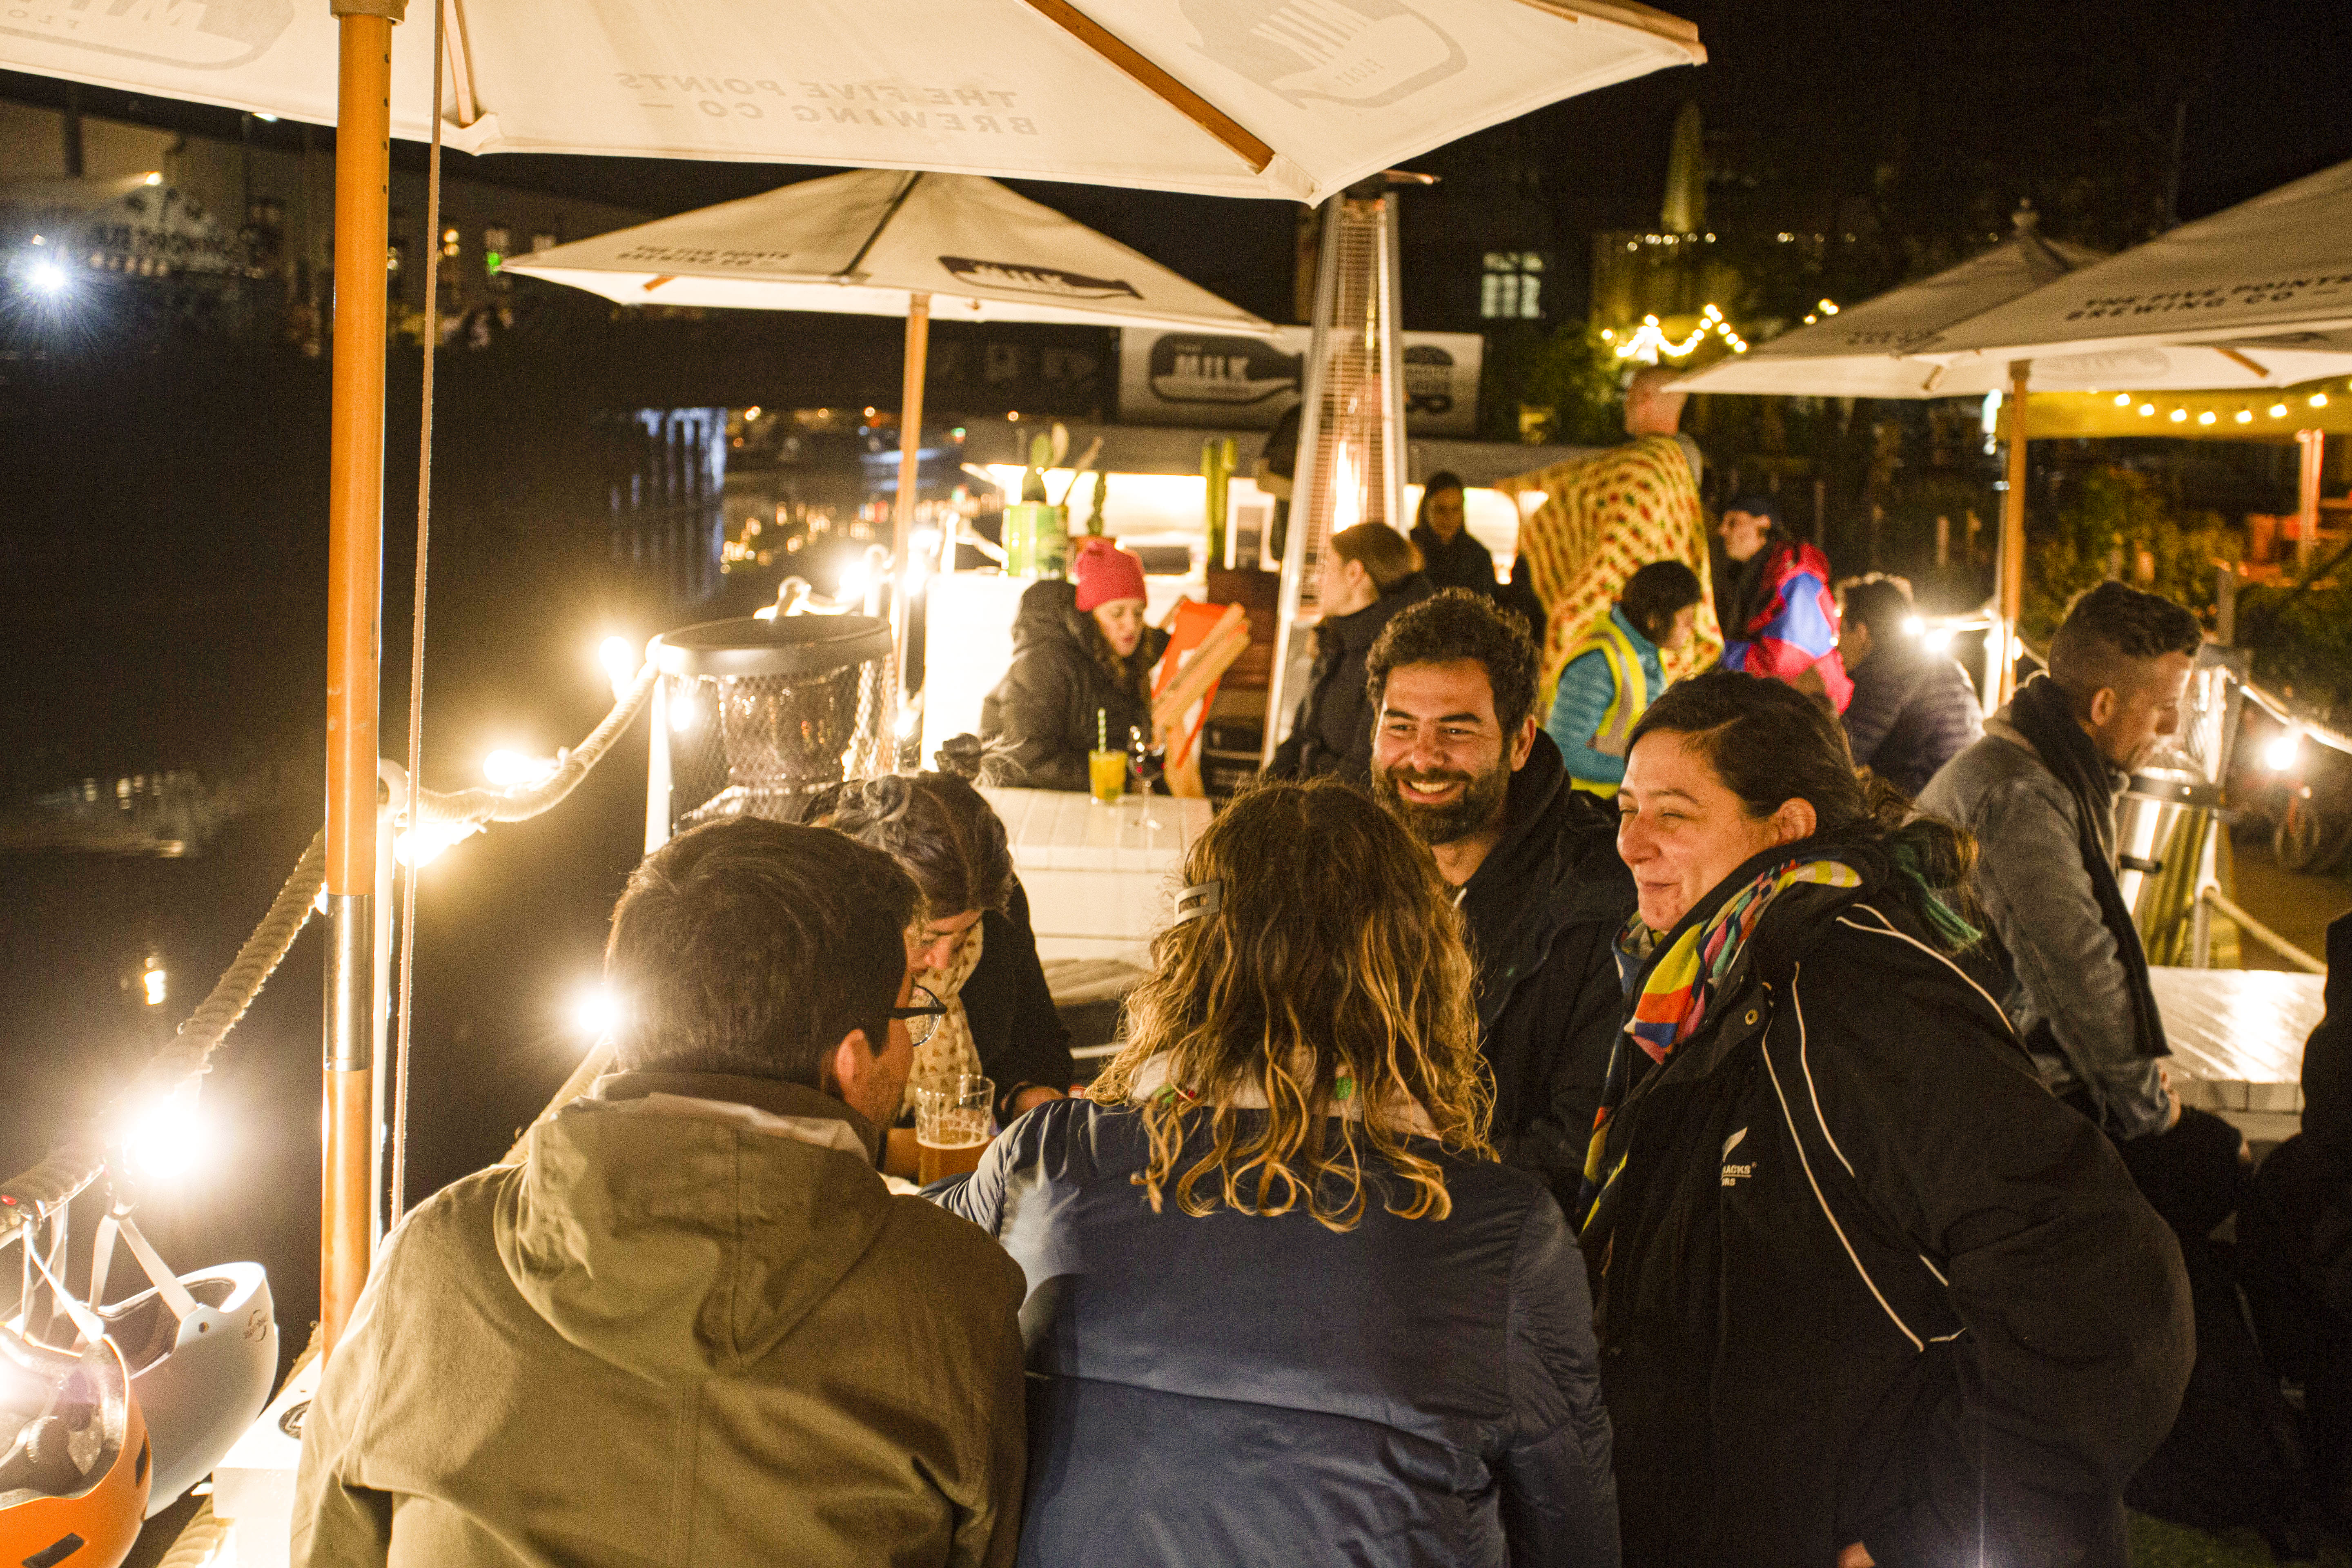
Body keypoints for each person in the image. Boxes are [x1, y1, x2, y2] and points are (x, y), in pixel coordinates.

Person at [292, 820, 1028, 1568]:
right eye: (910, 1014)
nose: (914, 1045)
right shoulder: (955, 1295)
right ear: (848, 1061)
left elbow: (330, 1543)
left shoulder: (433, 1255)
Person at [930, 779, 1619, 1568]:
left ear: (1188, 958)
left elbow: (879, 1260)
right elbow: (1574, 1535)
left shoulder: (1052, 1157)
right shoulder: (1503, 1237)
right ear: (1420, 967)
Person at [1589, 670, 2192, 1567]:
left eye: (1673, 815)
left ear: (1786, 830)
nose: (1632, 844)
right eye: (1628, 808)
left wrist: (1923, 1533)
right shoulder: (1708, 988)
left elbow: (2104, 1290)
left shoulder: (1856, 990)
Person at [1918, 584, 2234, 1192]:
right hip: (1955, 1098)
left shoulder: (2046, 771)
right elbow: (2077, 971)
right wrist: (2147, 1108)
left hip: (1976, 1065)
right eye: (2166, 706)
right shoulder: (2020, 795)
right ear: (2105, 706)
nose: (2172, 729)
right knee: (2214, 1162)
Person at [1364, 589, 1635, 1211]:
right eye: (1400, 727)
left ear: (1519, 744)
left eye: (1456, 731)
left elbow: (1575, 1153)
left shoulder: (1599, 900)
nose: (1423, 758)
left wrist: (1387, 1155)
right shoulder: (1355, 874)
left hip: (1500, 1254)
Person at [816, 770, 1073, 1125]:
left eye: (967, 933)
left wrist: (1022, 1094)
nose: (941, 961)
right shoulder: (822, 953)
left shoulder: (1000, 912)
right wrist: (899, 1151)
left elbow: (1040, 1038)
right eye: (926, 938)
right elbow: (804, 1118)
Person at [980, 535, 1169, 790]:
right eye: (1117, 613)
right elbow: (1028, 760)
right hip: (1024, 803)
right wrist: (1121, 777)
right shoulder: (1045, 664)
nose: (1131, 625)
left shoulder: (1125, 662)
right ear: (1090, 616)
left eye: (1138, 612)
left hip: (1083, 800)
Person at [1263, 521, 1431, 784]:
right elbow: (1300, 740)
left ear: (1354, 573)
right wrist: (1256, 801)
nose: (1317, 579)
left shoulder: (1395, 659)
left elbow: (1363, 770)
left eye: (1326, 567)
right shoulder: (1336, 641)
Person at [1544, 560, 1703, 797]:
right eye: (1687, 617)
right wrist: (1646, 772)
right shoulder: (1598, 665)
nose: (1693, 627)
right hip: (1582, 810)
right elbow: (1562, 753)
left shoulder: (1645, 653)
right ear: (1654, 620)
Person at [1836, 573, 1985, 795]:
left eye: (1841, 633)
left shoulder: (1889, 672)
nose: (1838, 647)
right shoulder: (1942, 665)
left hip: (1928, 806)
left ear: (1861, 631)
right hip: (1964, 796)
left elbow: (1843, 756)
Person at [1715, 493, 1853, 711]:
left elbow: (1781, 663)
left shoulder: (1796, 580)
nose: (1722, 530)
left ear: (1764, 525)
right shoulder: (1748, 575)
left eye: (1734, 522)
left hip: (1805, 715)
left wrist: (1713, 651)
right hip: (1781, 708)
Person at [1407, 470, 1499, 596]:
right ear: (1426, 510)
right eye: (1440, 510)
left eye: (1455, 509)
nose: (1449, 518)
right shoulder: (1409, 550)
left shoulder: (1478, 556)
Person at [1622, 364, 1703, 490]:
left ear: (1644, 400)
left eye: (1630, 396)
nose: (1626, 404)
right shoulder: (1687, 451)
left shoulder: (1648, 457)